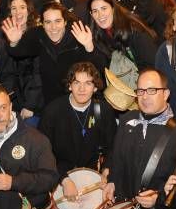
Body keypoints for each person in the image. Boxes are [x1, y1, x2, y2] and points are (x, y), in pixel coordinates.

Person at [104, 68, 176, 209]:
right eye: (140, 91)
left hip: (157, 204)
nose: (144, 97)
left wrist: (159, 196)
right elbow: (116, 156)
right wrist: (111, 180)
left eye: (152, 90)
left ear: (166, 93)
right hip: (126, 201)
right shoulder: (127, 119)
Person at [38, 62, 118, 195]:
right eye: (76, 83)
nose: (82, 89)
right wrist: (63, 179)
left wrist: (107, 169)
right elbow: (42, 153)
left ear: (95, 88)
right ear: (69, 86)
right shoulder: (52, 111)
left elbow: (113, 147)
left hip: (92, 174)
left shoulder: (104, 110)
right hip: (59, 174)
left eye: (88, 83)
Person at [2, 2, 102, 107]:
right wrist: (14, 42)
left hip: (79, 101)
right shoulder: (38, 35)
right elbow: (18, 52)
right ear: (42, 24)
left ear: (65, 22)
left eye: (58, 21)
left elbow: (99, 69)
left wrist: (89, 46)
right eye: (48, 22)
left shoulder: (78, 36)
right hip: (50, 103)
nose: (53, 27)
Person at [83, 0, 158, 88]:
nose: (100, 15)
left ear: (113, 8)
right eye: (95, 11)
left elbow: (152, 63)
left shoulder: (133, 28)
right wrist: (89, 47)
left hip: (146, 84)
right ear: (91, 14)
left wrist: (140, 89)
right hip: (121, 89)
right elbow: (102, 70)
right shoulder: (98, 34)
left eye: (104, 8)